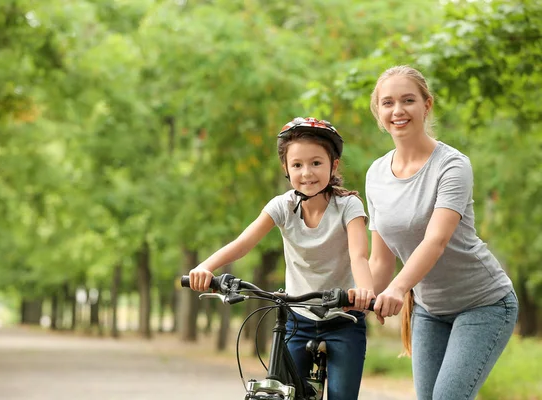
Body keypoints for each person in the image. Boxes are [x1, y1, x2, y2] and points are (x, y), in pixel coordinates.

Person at [188, 117, 376, 400]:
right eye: (297, 165)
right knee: (285, 391)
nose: (307, 173)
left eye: (316, 163)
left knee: (341, 395)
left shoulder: (348, 205)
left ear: (333, 165)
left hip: (343, 316)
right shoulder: (282, 206)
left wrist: (363, 292)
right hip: (297, 317)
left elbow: (359, 255)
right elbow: (243, 243)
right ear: (286, 169)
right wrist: (205, 268)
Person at [366, 65, 518, 400]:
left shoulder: (452, 165)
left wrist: (396, 288)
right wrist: (355, 298)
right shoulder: (376, 173)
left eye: (408, 100)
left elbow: (436, 241)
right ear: (379, 112)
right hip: (429, 310)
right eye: (388, 103)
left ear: (426, 105)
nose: (398, 110)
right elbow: (380, 260)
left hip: (484, 303)